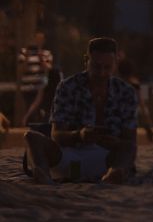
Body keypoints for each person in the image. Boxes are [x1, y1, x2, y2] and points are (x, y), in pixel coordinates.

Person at [24, 38, 138, 184]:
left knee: (128, 148)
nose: (102, 73)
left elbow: (130, 141)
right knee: (31, 137)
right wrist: (79, 135)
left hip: (108, 159)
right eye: (96, 67)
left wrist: (113, 142)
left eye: (107, 67)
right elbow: (56, 135)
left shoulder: (126, 92)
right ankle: (43, 175)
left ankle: (114, 174)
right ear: (86, 60)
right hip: (70, 157)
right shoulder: (67, 87)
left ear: (115, 63)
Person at [116, 56, 153, 142]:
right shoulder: (134, 85)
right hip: (130, 124)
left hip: (116, 123)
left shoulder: (115, 85)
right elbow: (142, 105)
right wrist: (148, 126)